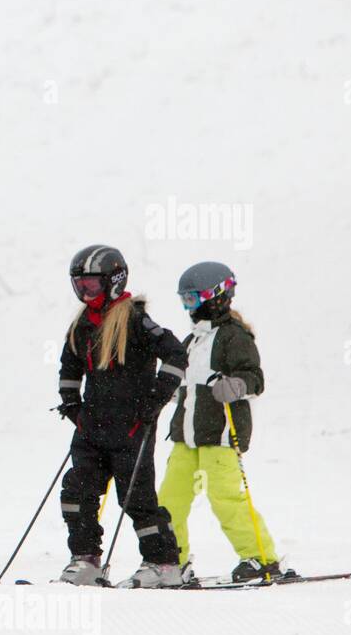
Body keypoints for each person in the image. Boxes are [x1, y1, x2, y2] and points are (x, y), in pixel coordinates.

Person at [55, 245, 188, 588]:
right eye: (80, 286)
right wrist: (70, 403)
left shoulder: (134, 318)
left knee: (137, 499)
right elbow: (69, 365)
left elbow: (174, 353)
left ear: (114, 281)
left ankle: (163, 563)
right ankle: (85, 560)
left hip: (132, 427)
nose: (86, 293)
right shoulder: (83, 324)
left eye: (92, 285)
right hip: (91, 428)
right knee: (76, 492)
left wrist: (158, 396)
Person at [157, 261, 279, 583]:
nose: (189, 307)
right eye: (184, 300)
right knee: (169, 501)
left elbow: (254, 377)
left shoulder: (234, 337)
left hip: (220, 435)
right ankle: (173, 562)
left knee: (224, 499)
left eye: (193, 299)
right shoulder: (192, 340)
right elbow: (184, 383)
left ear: (217, 296)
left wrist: (235, 385)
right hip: (186, 436)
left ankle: (261, 559)